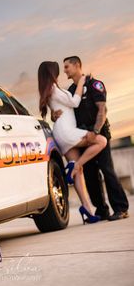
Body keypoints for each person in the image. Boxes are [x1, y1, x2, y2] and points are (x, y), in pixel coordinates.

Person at [52, 56, 129, 221]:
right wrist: (53, 114)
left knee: (107, 170)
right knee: (90, 175)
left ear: (77, 65)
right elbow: (64, 110)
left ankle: (121, 208)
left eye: (66, 66)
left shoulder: (95, 84)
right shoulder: (71, 91)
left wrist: (96, 130)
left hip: (98, 135)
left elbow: (102, 110)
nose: (64, 70)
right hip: (81, 138)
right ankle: (101, 210)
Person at [38, 61, 107, 224]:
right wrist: (82, 82)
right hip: (67, 132)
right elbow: (75, 102)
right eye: (57, 70)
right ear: (51, 72)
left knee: (79, 171)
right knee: (101, 141)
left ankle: (87, 210)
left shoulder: (48, 91)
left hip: (61, 134)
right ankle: (74, 167)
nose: (61, 71)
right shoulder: (54, 89)